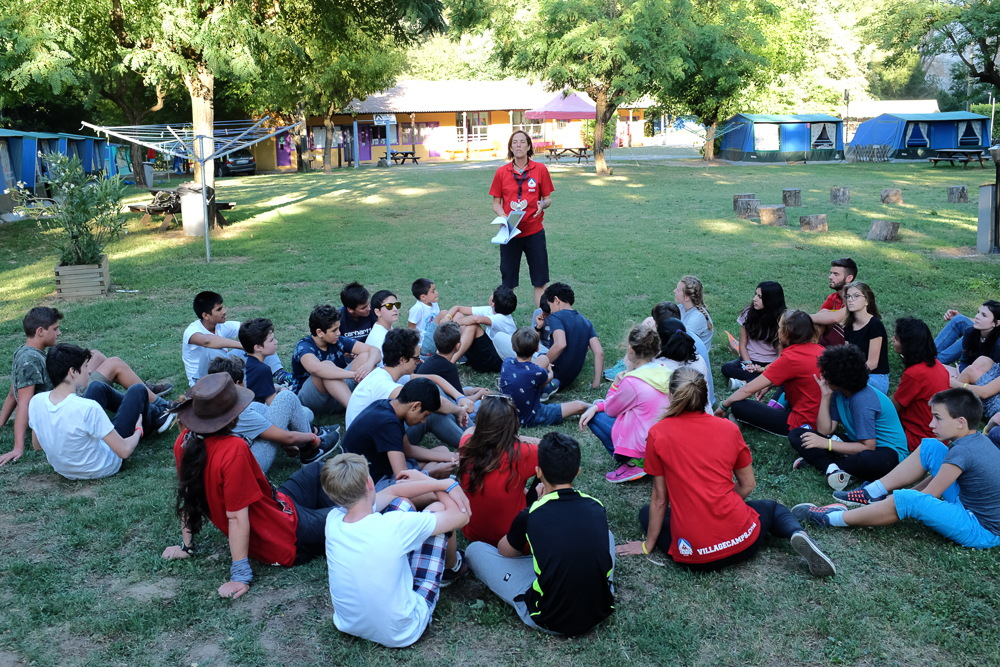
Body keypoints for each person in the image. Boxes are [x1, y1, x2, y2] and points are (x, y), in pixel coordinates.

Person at [617, 368, 836, 576]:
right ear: (705, 396)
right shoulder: (729, 428)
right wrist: (719, 506)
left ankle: (692, 531)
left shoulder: (658, 434)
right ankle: (797, 533)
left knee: (646, 512)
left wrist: (647, 545)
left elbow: (659, 500)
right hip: (744, 543)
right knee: (773, 508)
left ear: (672, 396)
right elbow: (748, 484)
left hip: (694, 555)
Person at [161, 373, 345, 597]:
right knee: (352, 515)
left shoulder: (184, 441)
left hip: (278, 507)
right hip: (284, 536)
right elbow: (236, 517)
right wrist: (240, 576)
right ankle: (342, 525)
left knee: (318, 471)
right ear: (232, 416)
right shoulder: (232, 449)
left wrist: (186, 547)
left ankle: (331, 522)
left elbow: (187, 493)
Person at [795, 388, 1000, 551]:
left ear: (960, 422)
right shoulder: (974, 439)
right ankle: (872, 493)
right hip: (968, 503)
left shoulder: (962, 451)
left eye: (938, 418)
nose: (931, 423)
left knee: (908, 499)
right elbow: (940, 479)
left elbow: (928, 496)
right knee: (931, 447)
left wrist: (898, 500)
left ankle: (830, 519)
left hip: (980, 528)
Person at [465, 433, 615, 636]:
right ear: (577, 472)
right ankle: (600, 587)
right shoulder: (596, 506)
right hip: (599, 610)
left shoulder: (531, 514)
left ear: (538, 472)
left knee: (475, 550)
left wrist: (535, 507)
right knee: (607, 535)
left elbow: (505, 551)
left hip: (548, 618)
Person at [322, 455, 471, 648]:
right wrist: (438, 483)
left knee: (402, 503)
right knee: (437, 508)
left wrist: (441, 484)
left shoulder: (333, 519)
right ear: (369, 482)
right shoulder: (394, 526)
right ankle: (452, 568)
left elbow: (392, 491)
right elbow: (461, 516)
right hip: (404, 631)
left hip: (349, 624)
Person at [1, 306, 170, 466]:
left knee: (95, 355)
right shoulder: (29, 361)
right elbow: (23, 402)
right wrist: (18, 447)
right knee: (114, 364)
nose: (59, 333)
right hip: (67, 400)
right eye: (55, 329)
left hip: (63, 391)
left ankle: (145, 396)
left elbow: (11, 394)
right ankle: (159, 405)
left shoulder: (25, 352)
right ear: (40, 331)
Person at [27, 344, 173, 480]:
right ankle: (157, 415)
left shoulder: (36, 402)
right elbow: (124, 451)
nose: (89, 370)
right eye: (85, 366)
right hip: (102, 466)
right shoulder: (88, 408)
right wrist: (138, 430)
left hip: (64, 470)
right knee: (138, 390)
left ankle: (157, 414)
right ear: (72, 372)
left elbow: (37, 446)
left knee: (97, 386)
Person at [788, 344, 908, 490]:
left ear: (840, 379)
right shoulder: (838, 391)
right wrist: (825, 396)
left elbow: (869, 447)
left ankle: (824, 462)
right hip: (856, 441)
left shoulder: (862, 400)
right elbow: (825, 431)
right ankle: (833, 468)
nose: (823, 375)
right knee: (797, 434)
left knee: (867, 460)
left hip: (887, 452)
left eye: (826, 373)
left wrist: (827, 445)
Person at [207, 356, 339, 472]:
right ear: (237, 384)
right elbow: (288, 438)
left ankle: (310, 433)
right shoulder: (238, 412)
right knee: (286, 397)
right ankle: (311, 450)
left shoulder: (210, 406)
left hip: (231, 458)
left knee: (256, 407)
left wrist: (284, 442)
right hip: (249, 467)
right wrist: (312, 438)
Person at [345, 329, 474, 447]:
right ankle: (475, 449)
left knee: (431, 389)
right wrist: (458, 410)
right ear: (402, 359)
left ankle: (477, 436)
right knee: (431, 412)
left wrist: (460, 397)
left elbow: (433, 378)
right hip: (369, 446)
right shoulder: (384, 385)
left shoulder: (389, 373)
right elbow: (436, 403)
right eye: (416, 358)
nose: (419, 362)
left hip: (379, 436)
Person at [580, 324, 669, 484]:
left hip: (645, 446)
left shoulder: (632, 381)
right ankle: (643, 461)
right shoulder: (665, 370)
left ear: (630, 349)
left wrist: (615, 384)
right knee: (597, 407)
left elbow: (611, 409)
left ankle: (632, 462)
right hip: (663, 444)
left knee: (594, 417)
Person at [717, 310, 824, 436]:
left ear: (786, 333)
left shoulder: (790, 358)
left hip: (801, 424)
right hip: (823, 419)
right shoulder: (821, 350)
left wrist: (723, 406)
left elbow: (747, 390)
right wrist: (769, 384)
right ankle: (777, 407)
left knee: (737, 405)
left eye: (779, 328)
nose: (777, 331)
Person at [456, 394, 541, 547]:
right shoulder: (524, 452)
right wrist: (516, 437)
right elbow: (549, 449)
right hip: (512, 540)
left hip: (473, 533)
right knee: (547, 469)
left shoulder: (466, 442)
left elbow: (470, 431)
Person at [341, 378, 457, 487]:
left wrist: (451, 457)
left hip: (381, 468)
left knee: (443, 451)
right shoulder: (388, 423)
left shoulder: (388, 405)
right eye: (425, 415)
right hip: (366, 485)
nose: (423, 421)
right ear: (416, 406)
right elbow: (403, 480)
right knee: (435, 489)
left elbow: (408, 450)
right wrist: (433, 473)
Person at [489, 130, 554, 308]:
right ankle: (503, 321)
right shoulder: (502, 172)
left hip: (534, 232)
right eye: (514, 142)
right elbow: (496, 202)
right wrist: (504, 217)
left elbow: (547, 198)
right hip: (510, 233)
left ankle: (542, 319)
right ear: (510, 147)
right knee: (507, 282)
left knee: (540, 280)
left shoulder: (540, 169)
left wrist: (543, 204)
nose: (518, 145)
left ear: (528, 146)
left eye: (522, 142)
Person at [290, 304, 379, 417]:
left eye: (338, 328)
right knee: (326, 368)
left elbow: (374, 350)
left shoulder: (338, 341)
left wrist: (368, 365)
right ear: (319, 332)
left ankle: (360, 404)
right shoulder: (304, 346)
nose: (339, 333)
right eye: (334, 330)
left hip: (338, 394)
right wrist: (355, 375)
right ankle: (356, 411)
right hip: (313, 400)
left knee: (366, 357)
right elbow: (316, 369)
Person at [182, 291, 285, 387]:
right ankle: (256, 385)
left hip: (226, 367)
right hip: (205, 380)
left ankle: (281, 375)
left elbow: (251, 329)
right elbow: (208, 341)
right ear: (205, 315)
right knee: (211, 351)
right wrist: (244, 346)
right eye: (219, 309)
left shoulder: (222, 325)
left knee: (259, 338)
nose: (224, 311)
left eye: (223, 307)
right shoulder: (192, 332)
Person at [500, 327, 590, 428]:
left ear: (513, 347)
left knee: (543, 360)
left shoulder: (506, 363)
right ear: (537, 348)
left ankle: (547, 390)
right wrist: (549, 369)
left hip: (507, 414)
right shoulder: (538, 372)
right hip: (530, 417)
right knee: (579, 406)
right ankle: (597, 407)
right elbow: (548, 378)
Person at [891, 317, 951, 451]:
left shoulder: (915, 374)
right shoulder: (937, 365)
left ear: (908, 345)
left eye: (896, 338)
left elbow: (892, 408)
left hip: (920, 439)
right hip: (940, 437)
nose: (892, 340)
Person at [721, 281, 785, 387]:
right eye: (755, 294)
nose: (754, 299)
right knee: (727, 368)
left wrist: (764, 369)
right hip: (749, 360)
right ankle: (761, 381)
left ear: (770, 300)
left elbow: (781, 355)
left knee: (782, 373)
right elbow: (742, 344)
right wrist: (748, 364)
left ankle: (744, 383)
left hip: (771, 363)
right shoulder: (748, 313)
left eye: (760, 297)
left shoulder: (783, 321)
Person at [544, 282, 604, 392]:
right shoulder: (586, 323)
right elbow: (599, 352)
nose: (551, 310)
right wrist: (596, 384)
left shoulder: (556, 317)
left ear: (556, 300)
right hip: (568, 379)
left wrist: (542, 364)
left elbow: (560, 344)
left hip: (553, 373)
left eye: (550, 305)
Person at [443, 285, 518, 373]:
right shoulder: (491, 309)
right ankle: (449, 353)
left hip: (494, 360)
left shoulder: (503, 319)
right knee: (458, 316)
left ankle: (448, 363)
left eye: (492, 295)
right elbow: (458, 308)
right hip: (485, 354)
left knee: (473, 325)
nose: (490, 295)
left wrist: (453, 324)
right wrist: (447, 317)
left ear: (493, 303)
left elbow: (475, 319)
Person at [413, 321, 489, 403]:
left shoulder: (431, 360)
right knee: (482, 404)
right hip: (434, 407)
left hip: (425, 398)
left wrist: (473, 391)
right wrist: (479, 394)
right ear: (458, 346)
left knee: (468, 389)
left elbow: (453, 390)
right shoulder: (449, 368)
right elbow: (461, 400)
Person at [842, 282, 890, 394]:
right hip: (856, 374)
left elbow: (873, 363)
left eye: (856, 296)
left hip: (876, 377)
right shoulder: (848, 326)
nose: (850, 299)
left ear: (867, 301)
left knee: (847, 386)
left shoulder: (875, 325)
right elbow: (848, 357)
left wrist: (851, 377)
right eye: (848, 296)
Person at [653, 319, 712, 403]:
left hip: (673, 413)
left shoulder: (656, 365)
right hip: (703, 411)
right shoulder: (699, 359)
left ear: (660, 340)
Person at [934, 301, 1000, 368]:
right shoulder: (970, 332)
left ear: (997, 323)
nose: (976, 316)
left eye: (984, 315)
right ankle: (928, 355)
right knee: (959, 320)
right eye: (978, 312)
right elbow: (964, 362)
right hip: (989, 329)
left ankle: (932, 362)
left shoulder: (998, 347)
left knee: (972, 335)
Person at [809, 258, 857, 348]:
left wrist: (801, 317)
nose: (830, 277)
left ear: (849, 278)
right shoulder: (832, 298)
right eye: (831, 273)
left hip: (854, 349)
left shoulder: (857, 299)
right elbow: (819, 319)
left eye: (836, 274)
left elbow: (835, 318)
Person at [673, 275, 714, 350]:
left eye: (678, 290)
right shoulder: (682, 307)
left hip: (693, 356)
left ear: (686, 298)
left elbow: (681, 344)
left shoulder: (696, 318)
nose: (674, 291)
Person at [364, 289, 401, 361]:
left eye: (397, 305)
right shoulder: (379, 339)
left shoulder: (387, 329)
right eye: (389, 306)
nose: (395, 309)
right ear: (377, 312)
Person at [407, 278, 440, 355]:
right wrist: (416, 347)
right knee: (444, 314)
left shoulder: (434, 303)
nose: (437, 293)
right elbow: (411, 329)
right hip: (424, 345)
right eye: (433, 291)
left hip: (436, 337)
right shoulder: (417, 308)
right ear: (423, 297)